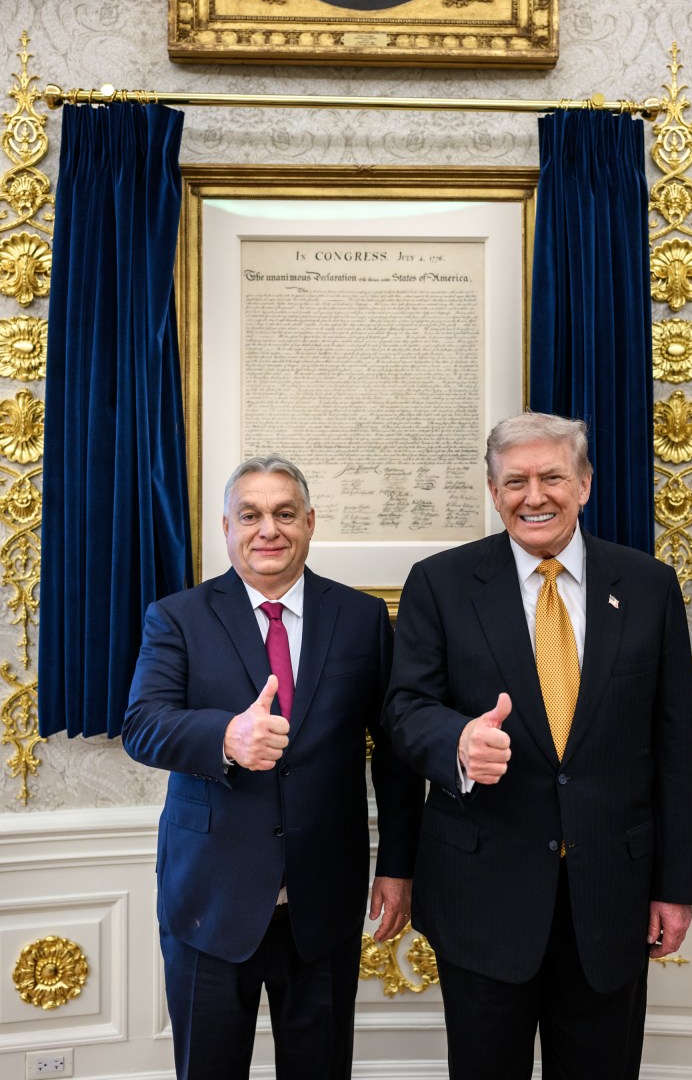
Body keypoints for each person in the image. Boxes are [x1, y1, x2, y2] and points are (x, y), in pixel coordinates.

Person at [382, 411, 692, 1080]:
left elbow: (675, 747)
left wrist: (675, 886)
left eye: (552, 476)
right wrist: (459, 743)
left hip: (611, 898)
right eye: (516, 481)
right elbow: (404, 712)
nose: (535, 496)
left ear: (584, 484)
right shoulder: (440, 585)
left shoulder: (647, 587)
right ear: (494, 492)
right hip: (482, 900)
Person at [122, 455, 424, 1080]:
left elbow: (395, 758)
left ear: (310, 522)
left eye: (285, 514)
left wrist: (398, 868)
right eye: (251, 515)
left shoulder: (362, 619)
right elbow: (143, 726)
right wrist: (226, 736)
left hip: (325, 903)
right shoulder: (177, 617)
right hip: (211, 900)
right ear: (228, 527)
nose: (269, 530)